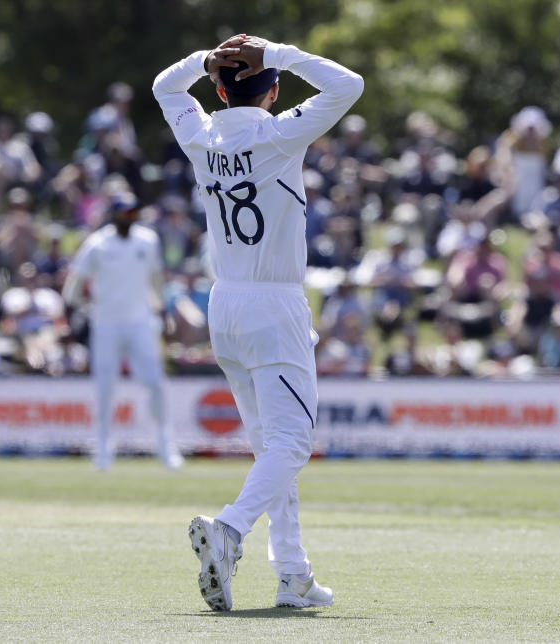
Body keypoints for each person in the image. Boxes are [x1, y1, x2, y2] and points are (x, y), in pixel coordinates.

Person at [154, 33, 363, 611]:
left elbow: (162, 86)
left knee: (271, 447)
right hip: (275, 304)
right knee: (292, 443)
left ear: (218, 89)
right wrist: (280, 52)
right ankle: (229, 530)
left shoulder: (201, 134)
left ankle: (292, 574)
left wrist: (202, 61)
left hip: (225, 305)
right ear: (272, 91)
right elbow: (350, 84)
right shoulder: (278, 133)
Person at [62, 195, 183, 472]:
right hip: (105, 323)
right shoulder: (98, 244)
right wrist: (76, 309)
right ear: (113, 215)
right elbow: (75, 282)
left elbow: (155, 278)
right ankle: (103, 450)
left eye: (132, 213)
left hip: (140, 321)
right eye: (123, 213)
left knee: (155, 383)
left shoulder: (147, 240)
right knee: (105, 389)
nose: (127, 218)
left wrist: (161, 309)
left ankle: (166, 447)